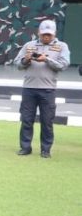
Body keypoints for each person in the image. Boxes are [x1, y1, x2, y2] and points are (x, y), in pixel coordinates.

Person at [14, 19, 71, 158]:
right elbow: (17, 63)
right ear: (38, 32)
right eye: (44, 34)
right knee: (26, 119)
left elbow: (64, 65)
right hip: (29, 89)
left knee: (47, 121)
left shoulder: (61, 46)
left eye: (49, 34)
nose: (46, 37)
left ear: (54, 33)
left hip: (48, 90)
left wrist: (46, 60)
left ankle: (46, 150)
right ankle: (25, 147)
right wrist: (26, 60)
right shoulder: (29, 45)